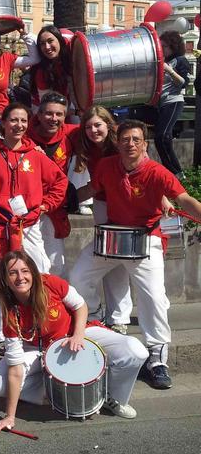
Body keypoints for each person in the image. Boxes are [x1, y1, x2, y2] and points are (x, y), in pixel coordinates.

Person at [69, 120, 201, 390]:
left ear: (145, 145)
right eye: (125, 139)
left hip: (146, 239)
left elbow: (184, 198)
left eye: (136, 140)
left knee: (153, 297)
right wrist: (62, 201)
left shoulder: (157, 172)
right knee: (78, 276)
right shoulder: (106, 166)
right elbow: (90, 190)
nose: (130, 144)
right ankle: (94, 321)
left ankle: (157, 358)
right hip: (113, 238)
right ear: (117, 143)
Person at [0, 250, 148, 433]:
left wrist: (78, 335)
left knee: (136, 351)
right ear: (5, 280)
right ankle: (56, 393)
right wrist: (9, 417)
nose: (20, 277)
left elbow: (80, 305)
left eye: (25, 271)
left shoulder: (50, 283)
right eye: (12, 272)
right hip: (38, 349)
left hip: (77, 333)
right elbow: (15, 369)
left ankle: (111, 397)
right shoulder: (10, 312)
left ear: (32, 271)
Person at [0, 102, 67, 352]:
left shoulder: (35, 155)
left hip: (28, 227)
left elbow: (60, 182)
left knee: (41, 274)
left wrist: (45, 206)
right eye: (13, 120)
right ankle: (4, 334)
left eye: (23, 121)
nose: (19, 125)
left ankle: (42, 326)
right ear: (2, 123)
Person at [73, 106, 133, 333]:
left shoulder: (122, 145)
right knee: (108, 258)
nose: (93, 130)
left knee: (119, 262)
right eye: (88, 126)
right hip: (101, 203)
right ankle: (96, 311)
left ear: (109, 124)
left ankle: (118, 317)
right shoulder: (87, 145)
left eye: (98, 125)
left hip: (124, 205)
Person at [27, 91, 80, 276]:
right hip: (27, 206)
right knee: (30, 262)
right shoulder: (23, 134)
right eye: (49, 113)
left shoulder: (72, 134)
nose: (54, 118)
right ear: (39, 115)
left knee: (56, 263)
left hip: (54, 206)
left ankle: (55, 302)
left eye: (59, 114)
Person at [155, 30, 190, 179]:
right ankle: (173, 172)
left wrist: (169, 70)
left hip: (174, 101)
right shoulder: (163, 61)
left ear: (172, 47)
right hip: (160, 104)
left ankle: (177, 174)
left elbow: (184, 83)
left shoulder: (181, 60)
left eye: (164, 46)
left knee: (162, 136)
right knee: (160, 138)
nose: (161, 49)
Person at [29, 26, 72, 111]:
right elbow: (47, 107)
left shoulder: (71, 58)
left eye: (50, 41)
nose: (47, 47)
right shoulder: (41, 72)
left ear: (59, 40)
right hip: (45, 111)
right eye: (42, 43)